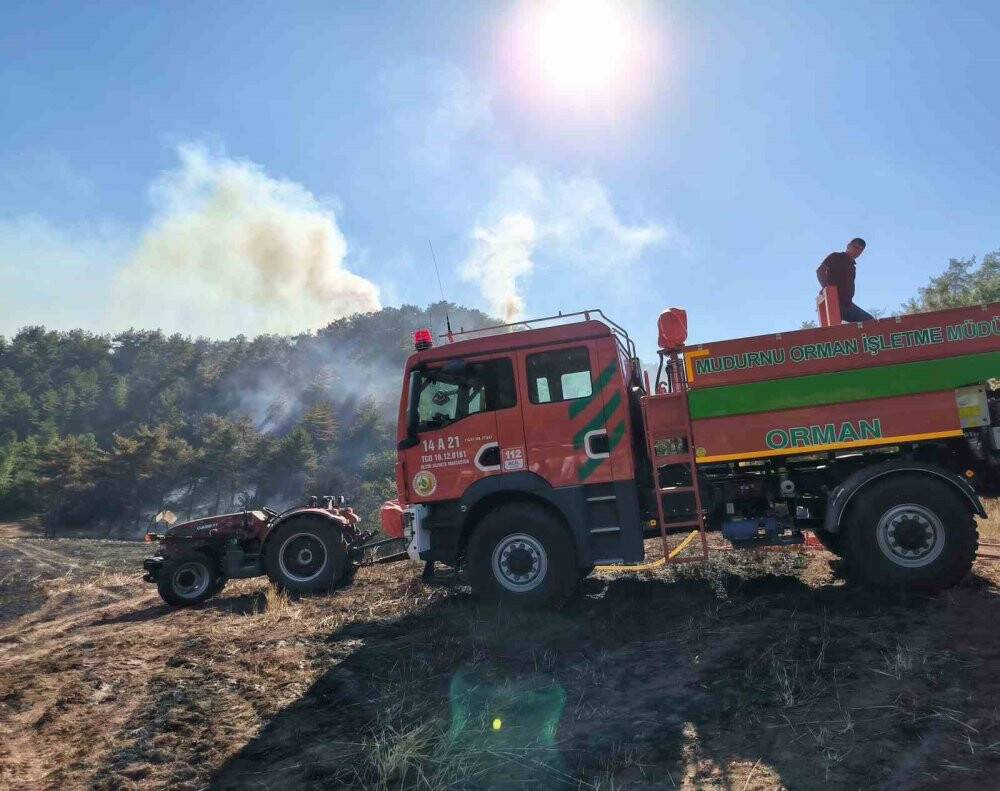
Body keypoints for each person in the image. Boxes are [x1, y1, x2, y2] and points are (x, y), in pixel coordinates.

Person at [816, 238, 873, 322]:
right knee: (868, 322)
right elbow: (820, 270)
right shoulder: (836, 256)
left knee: (870, 322)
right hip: (833, 301)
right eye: (855, 247)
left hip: (847, 304)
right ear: (848, 246)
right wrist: (826, 290)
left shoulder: (852, 267)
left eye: (860, 250)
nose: (857, 251)